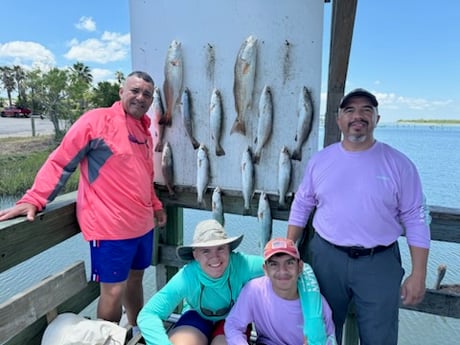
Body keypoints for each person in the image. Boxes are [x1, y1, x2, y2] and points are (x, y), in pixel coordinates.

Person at [0, 71, 167, 331]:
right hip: (110, 228)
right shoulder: (97, 121)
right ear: (121, 92)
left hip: (142, 225)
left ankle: (135, 330)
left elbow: (145, 175)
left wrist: (155, 206)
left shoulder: (144, 130)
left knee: (136, 279)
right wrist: (34, 198)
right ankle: (104, 337)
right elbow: (61, 161)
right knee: (112, 292)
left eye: (147, 94)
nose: (140, 97)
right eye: (134, 90)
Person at [286, 88, 431, 345]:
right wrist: (289, 247)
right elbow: (302, 204)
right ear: (338, 119)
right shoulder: (320, 161)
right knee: (320, 334)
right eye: (350, 110)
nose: (358, 116)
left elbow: (416, 217)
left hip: (380, 262)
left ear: (377, 118)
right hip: (325, 259)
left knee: (380, 338)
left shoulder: (399, 164)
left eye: (367, 110)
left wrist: (419, 272)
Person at [137, 219, 265, 345]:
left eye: (220, 248)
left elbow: (278, 266)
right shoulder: (187, 277)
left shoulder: (243, 264)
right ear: (195, 255)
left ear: (229, 250)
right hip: (196, 316)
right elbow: (148, 314)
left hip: (234, 319)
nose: (214, 257)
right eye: (206, 250)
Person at [224, 237, 337, 345]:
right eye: (274, 264)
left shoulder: (317, 305)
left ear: (300, 267)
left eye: (289, 263)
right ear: (265, 270)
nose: (282, 271)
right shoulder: (254, 290)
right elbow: (233, 325)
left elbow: (330, 339)